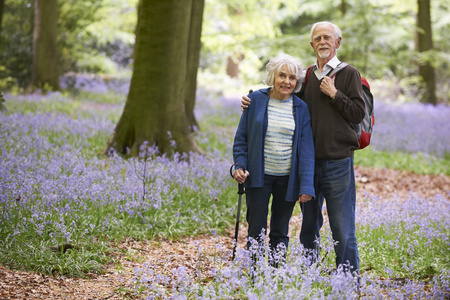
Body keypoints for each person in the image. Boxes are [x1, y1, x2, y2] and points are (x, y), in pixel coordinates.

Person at [241, 22, 365, 275]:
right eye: (317, 38)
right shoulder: (306, 76)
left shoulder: (349, 73)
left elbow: (358, 113)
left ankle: (349, 281)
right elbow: (282, 94)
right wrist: (251, 99)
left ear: (337, 43)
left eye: (327, 37)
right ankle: (310, 276)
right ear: (312, 44)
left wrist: (335, 94)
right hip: (306, 165)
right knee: (309, 225)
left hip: (337, 161)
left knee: (342, 226)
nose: (322, 42)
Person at [233, 54, 315, 260]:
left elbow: (306, 150)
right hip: (258, 176)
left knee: (280, 230)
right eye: (282, 75)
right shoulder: (255, 100)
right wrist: (239, 166)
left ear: (297, 82)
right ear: (272, 76)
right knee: (256, 228)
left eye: (292, 78)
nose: (287, 81)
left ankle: (275, 272)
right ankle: (255, 273)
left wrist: (306, 185)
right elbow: (241, 138)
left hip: (287, 179)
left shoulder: (301, 108)